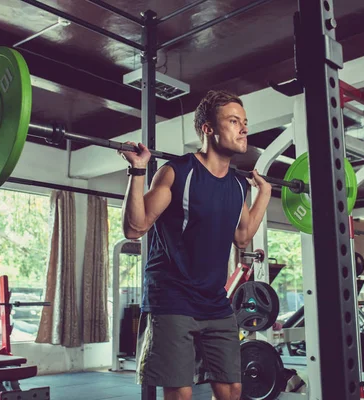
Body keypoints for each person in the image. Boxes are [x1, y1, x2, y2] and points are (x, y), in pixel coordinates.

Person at [118, 90, 272, 400]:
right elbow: (136, 228)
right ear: (208, 129)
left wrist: (264, 194)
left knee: (232, 388)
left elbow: (242, 236)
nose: (244, 128)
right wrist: (137, 171)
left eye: (244, 122)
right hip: (173, 297)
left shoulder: (238, 184)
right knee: (181, 392)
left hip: (214, 300)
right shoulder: (177, 172)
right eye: (233, 121)